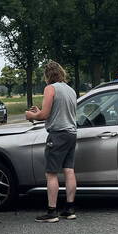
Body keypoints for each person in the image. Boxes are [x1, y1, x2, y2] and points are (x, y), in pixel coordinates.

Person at [25, 61, 78, 222]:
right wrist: (40, 112)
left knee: (51, 173)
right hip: (71, 133)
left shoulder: (50, 88)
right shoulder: (70, 90)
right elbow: (57, 112)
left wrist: (32, 115)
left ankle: (52, 211)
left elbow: (45, 115)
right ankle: (69, 209)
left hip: (57, 135)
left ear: (47, 75)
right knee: (69, 170)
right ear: (61, 73)